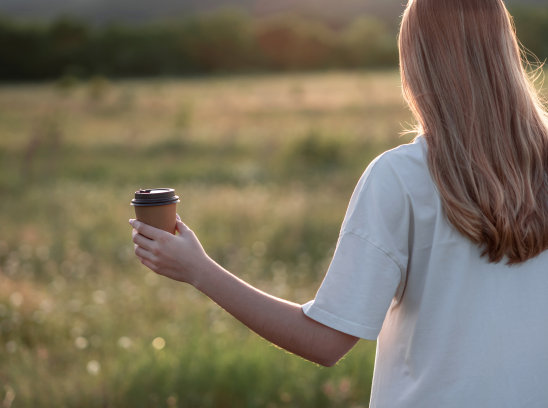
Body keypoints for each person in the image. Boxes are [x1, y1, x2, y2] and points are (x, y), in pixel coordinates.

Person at [129, 0, 548, 406]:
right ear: (504, 53)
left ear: (419, 64)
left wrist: (199, 270)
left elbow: (325, 342)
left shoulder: (401, 178)